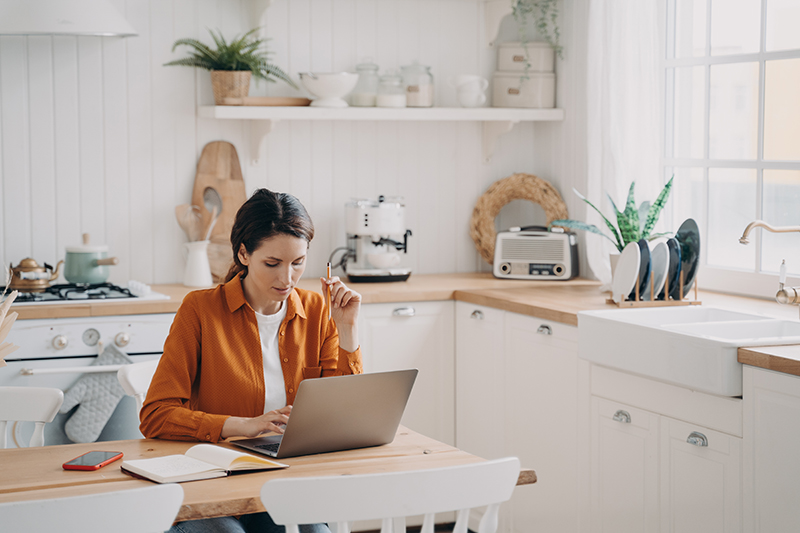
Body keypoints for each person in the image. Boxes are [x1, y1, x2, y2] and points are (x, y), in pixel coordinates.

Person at [140, 189, 362, 533]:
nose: (286, 278)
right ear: (243, 253)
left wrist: (347, 331)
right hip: (212, 483)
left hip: (287, 480)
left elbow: (347, 415)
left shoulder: (319, 311)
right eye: (272, 264)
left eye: (298, 263)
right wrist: (241, 425)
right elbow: (156, 416)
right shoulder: (199, 310)